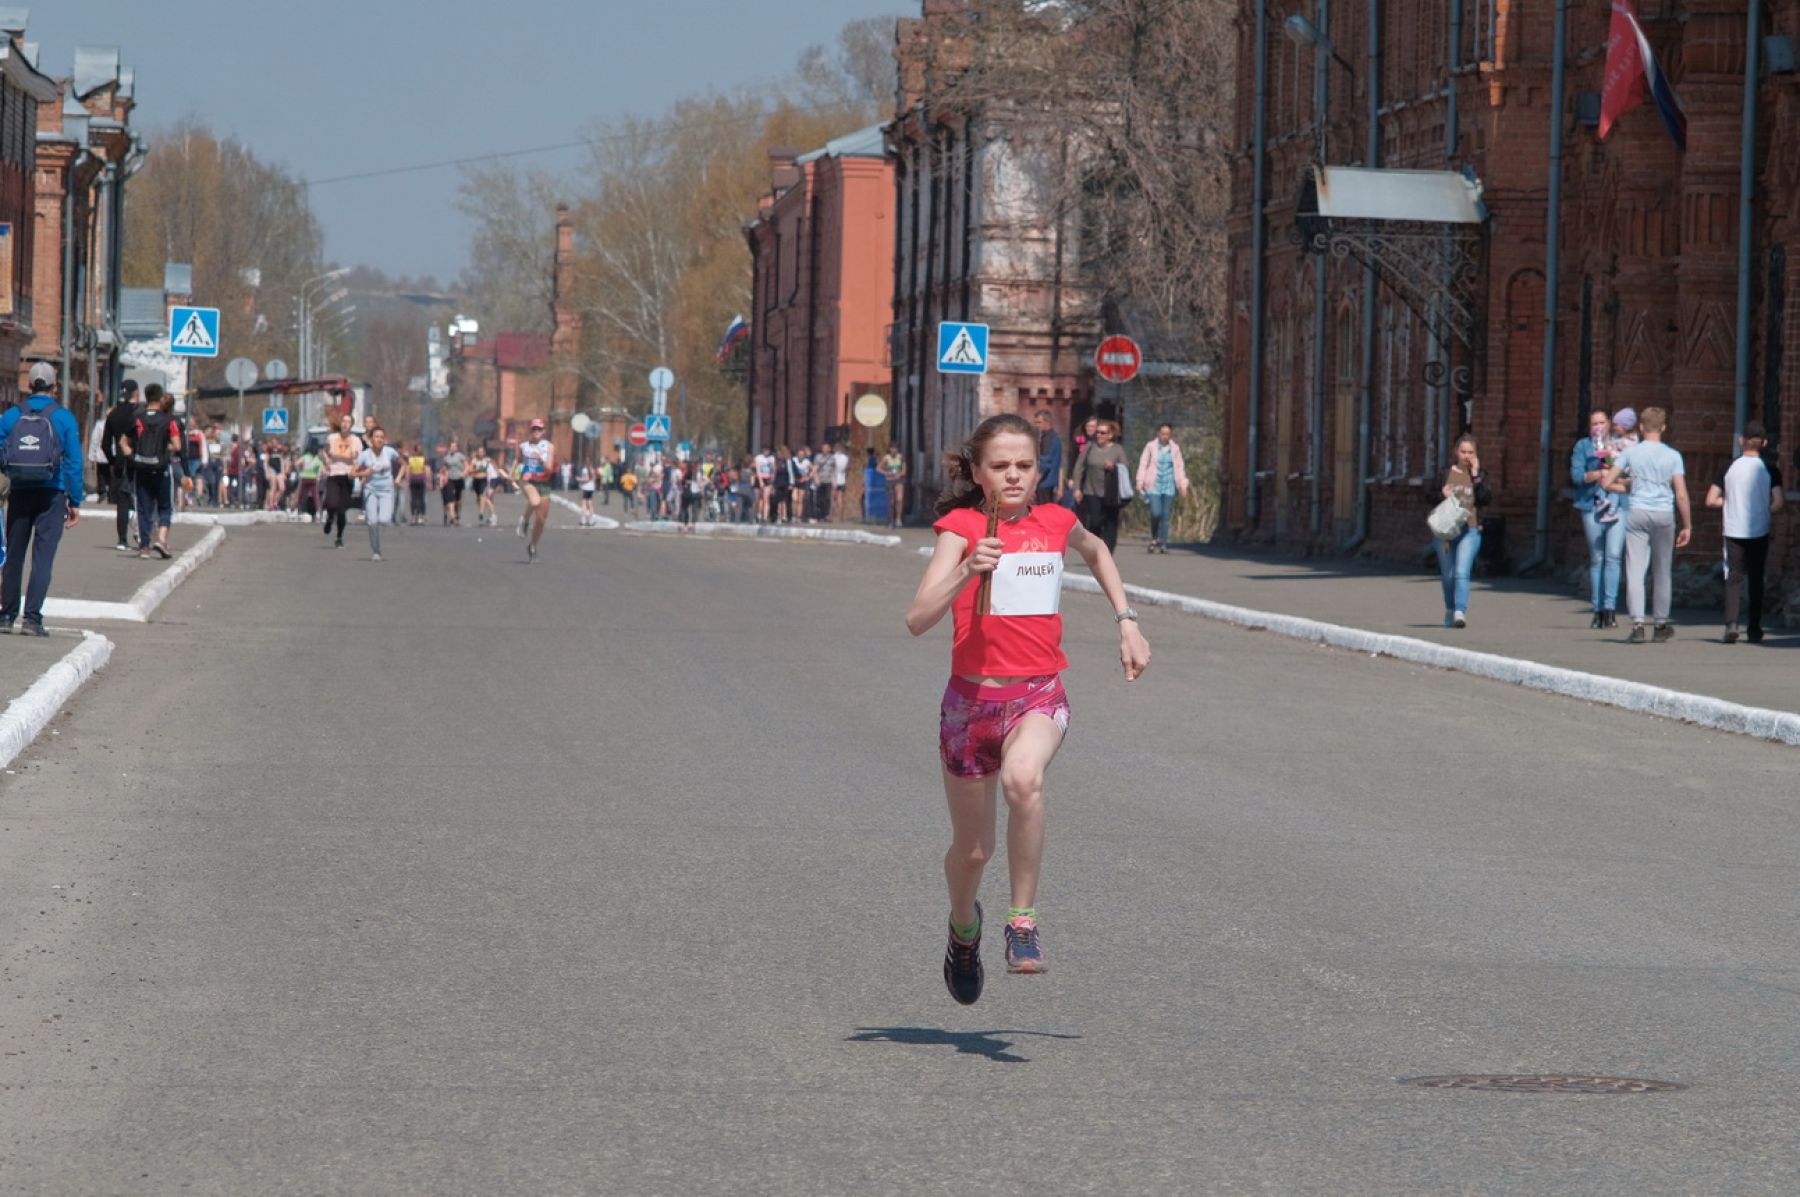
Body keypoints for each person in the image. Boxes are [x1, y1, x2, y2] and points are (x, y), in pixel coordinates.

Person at [906, 413, 1150, 1004]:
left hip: (1038, 693)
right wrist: (967, 569)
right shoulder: (960, 528)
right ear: (978, 472)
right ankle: (964, 929)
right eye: (1000, 466)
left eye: (1024, 465)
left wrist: (1127, 622)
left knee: (1024, 779)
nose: (1014, 476)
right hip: (969, 705)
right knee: (972, 851)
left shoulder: (1057, 521)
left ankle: (1022, 922)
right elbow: (917, 619)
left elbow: (1097, 555)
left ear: (1038, 468)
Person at [0, 363, 84, 635]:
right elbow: (73, 462)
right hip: (52, 493)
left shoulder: (11, 416)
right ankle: (32, 619)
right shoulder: (64, 418)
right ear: (54, 386)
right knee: (43, 558)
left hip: (20, 492)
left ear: (29, 385)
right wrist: (75, 500)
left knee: (14, 555)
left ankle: (6, 615)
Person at [1602, 406, 1691, 644]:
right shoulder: (1673, 456)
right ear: (1663, 428)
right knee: (1662, 571)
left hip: (1637, 512)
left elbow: (1608, 482)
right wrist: (1687, 525)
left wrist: (1629, 486)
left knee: (1635, 570)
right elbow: (1681, 494)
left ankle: (1638, 624)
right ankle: (1660, 624)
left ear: (1641, 427)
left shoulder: (1632, 453)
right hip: (1663, 514)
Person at [1706, 421, 1783, 644]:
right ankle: (1755, 628)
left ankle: (1731, 624)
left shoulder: (1728, 467)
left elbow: (1710, 500)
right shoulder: (1770, 469)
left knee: (1733, 577)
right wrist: (1763, 509)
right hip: (1759, 529)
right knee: (1757, 578)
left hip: (1733, 529)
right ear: (1765, 443)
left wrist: (1728, 502)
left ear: (1742, 442)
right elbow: (1778, 502)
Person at [1570, 409, 1627, 629]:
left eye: (1602, 423)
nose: (1598, 427)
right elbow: (1576, 476)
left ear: (1610, 425)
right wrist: (1597, 473)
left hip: (1618, 505)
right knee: (1597, 557)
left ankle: (1610, 608)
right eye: (1594, 424)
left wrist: (1614, 467)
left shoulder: (1619, 445)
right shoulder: (1583, 446)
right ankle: (1597, 610)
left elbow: (1629, 473)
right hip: (1591, 505)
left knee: (1613, 556)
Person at [1434, 433, 1490, 628]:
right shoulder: (1444, 473)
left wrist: (1475, 475)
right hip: (1446, 532)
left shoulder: (1480, 475)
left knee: (1461, 572)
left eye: (1470, 452)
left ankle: (1460, 611)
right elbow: (1427, 496)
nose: (1466, 456)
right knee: (1448, 575)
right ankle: (1450, 608)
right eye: (1463, 451)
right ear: (1456, 452)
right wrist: (1442, 494)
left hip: (1470, 530)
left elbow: (1485, 499)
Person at [122, 383, 184, 560]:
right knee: (165, 506)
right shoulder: (168, 420)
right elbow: (177, 445)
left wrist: (133, 457)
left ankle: (144, 548)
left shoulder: (138, 418)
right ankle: (162, 538)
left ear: (145, 397)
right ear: (160, 397)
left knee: (143, 508)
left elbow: (123, 442)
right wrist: (164, 447)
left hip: (141, 468)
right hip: (162, 468)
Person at [1070, 419, 1128, 552]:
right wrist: (1077, 488)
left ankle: (1108, 551)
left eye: (1102, 433)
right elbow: (1079, 467)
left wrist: (1114, 467)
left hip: (1111, 493)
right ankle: (1095, 548)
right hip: (1091, 490)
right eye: (1097, 432)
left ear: (1110, 435)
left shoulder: (1117, 450)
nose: (1099, 435)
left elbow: (1125, 468)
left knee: (1110, 523)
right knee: (1095, 521)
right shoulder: (1090, 447)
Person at [1135, 423, 1190, 554]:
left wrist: (1183, 485)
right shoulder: (1151, 447)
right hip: (1154, 485)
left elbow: (1179, 467)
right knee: (1156, 513)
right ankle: (1154, 537)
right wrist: (1139, 481)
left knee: (1165, 516)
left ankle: (1163, 543)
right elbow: (1143, 464)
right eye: (1163, 433)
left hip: (1169, 485)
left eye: (1168, 434)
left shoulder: (1175, 449)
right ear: (1158, 434)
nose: (1165, 436)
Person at [100, 380, 141, 551]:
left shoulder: (113, 414)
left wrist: (111, 461)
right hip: (139, 461)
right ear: (136, 394)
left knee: (122, 503)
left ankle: (122, 540)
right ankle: (142, 534)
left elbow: (104, 444)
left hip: (119, 462)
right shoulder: (140, 413)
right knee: (140, 499)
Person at [353, 427, 401, 561]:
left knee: (384, 520)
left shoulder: (390, 452)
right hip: (370, 490)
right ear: (371, 439)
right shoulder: (365, 455)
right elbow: (351, 474)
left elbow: (404, 465)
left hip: (386, 490)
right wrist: (363, 473)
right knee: (372, 522)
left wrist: (398, 478)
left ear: (384, 439)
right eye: (376, 437)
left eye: (381, 437)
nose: (379, 439)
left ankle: (377, 547)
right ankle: (376, 550)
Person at [515, 417, 555, 561]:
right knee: (534, 502)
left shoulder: (548, 446)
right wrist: (513, 474)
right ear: (530, 430)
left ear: (543, 431)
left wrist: (541, 461)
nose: (536, 431)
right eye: (534, 429)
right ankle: (524, 520)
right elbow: (517, 461)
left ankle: (532, 545)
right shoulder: (523, 446)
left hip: (543, 482)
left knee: (541, 520)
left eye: (539, 429)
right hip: (528, 480)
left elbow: (549, 469)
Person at [322, 413, 363, 547]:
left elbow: (359, 459)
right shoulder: (332, 438)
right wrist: (327, 460)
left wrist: (355, 467)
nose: (345, 424)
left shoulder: (356, 440)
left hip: (347, 476)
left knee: (341, 510)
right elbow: (325, 451)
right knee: (331, 503)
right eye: (343, 421)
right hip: (334, 473)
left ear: (351, 425)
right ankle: (329, 517)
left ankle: (339, 537)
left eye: (348, 422)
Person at [1033, 410, 1062, 506]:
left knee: (1043, 511)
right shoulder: (1055, 437)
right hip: (1050, 483)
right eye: (1035, 422)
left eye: (1039, 422)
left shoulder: (1048, 439)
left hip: (1044, 483)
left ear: (1047, 422)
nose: (1037, 425)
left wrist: (1035, 482)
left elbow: (1045, 463)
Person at [880, 444, 907, 529]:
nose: (893, 450)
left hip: (899, 480)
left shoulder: (901, 457)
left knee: (899, 499)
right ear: (889, 449)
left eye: (895, 448)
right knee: (891, 501)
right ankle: (891, 519)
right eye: (892, 448)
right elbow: (878, 468)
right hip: (890, 480)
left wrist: (900, 474)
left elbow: (904, 470)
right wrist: (886, 473)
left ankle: (898, 519)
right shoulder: (886, 458)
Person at [441, 440, 467, 526]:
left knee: (458, 499)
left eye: (454, 447)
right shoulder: (446, 457)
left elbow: (467, 465)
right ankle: (452, 516)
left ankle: (457, 514)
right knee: (450, 497)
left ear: (456, 448)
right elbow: (444, 468)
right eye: (451, 447)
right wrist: (443, 477)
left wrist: (464, 473)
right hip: (450, 479)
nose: (452, 448)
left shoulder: (460, 456)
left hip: (459, 479)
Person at [295, 444, 324, 520]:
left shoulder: (305, 457)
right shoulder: (317, 459)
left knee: (300, 495)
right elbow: (323, 470)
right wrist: (318, 475)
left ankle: (296, 510)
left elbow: (297, 464)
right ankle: (318, 512)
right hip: (313, 479)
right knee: (316, 496)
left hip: (304, 477)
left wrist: (299, 472)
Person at [406, 444, 430, 524]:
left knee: (413, 498)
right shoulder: (423, 459)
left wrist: (408, 480)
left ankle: (413, 515)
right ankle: (420, 516)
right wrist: (428, 481)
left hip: (413, 480)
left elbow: (408, 470)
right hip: (421, 480)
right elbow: (426, 470)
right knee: (421, 498)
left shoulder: (411, 459)